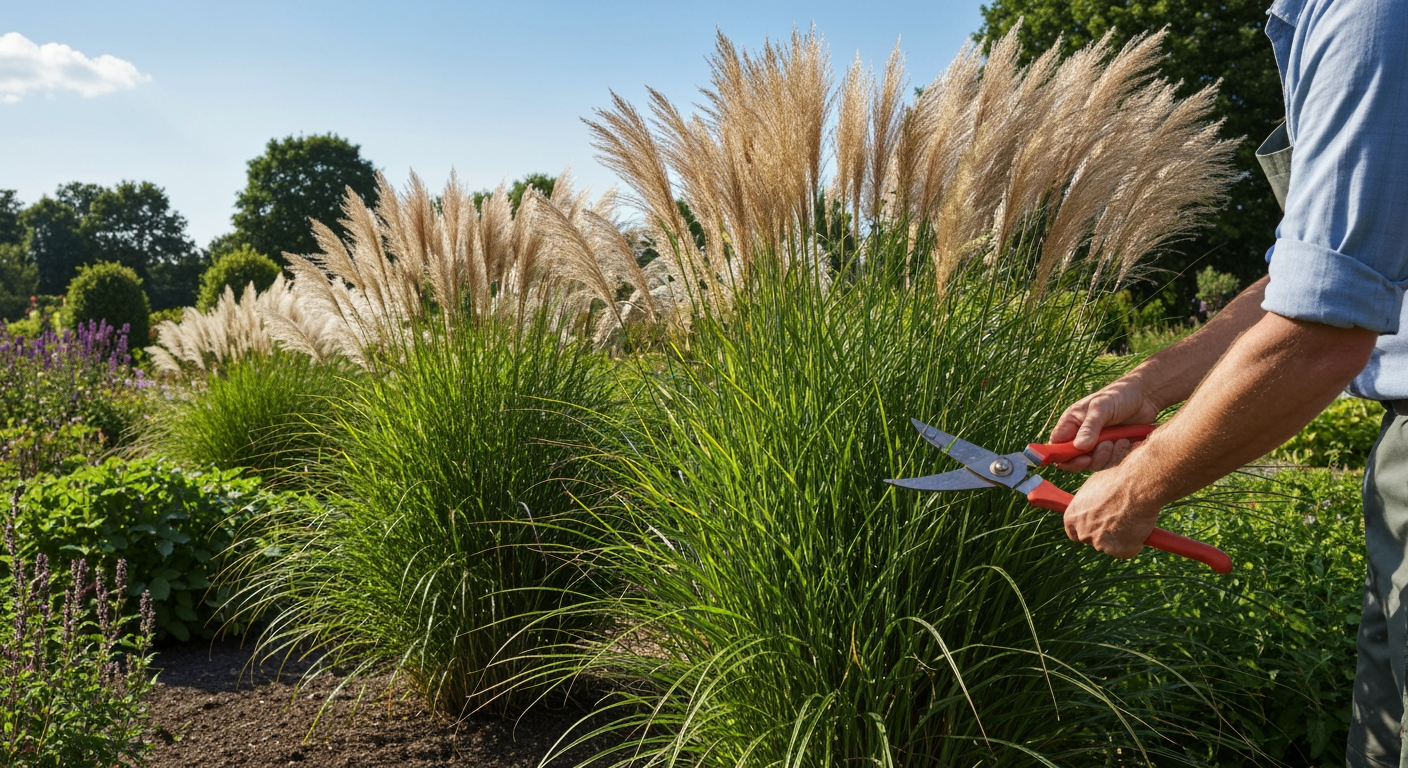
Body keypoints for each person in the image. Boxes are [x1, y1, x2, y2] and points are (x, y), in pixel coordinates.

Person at [1049, 1, 1408, 765]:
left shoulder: (1370, 15)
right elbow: (1307, 275)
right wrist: (1152, 386)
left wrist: (1145, 479)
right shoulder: (1319, 17)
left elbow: (1321, 334)